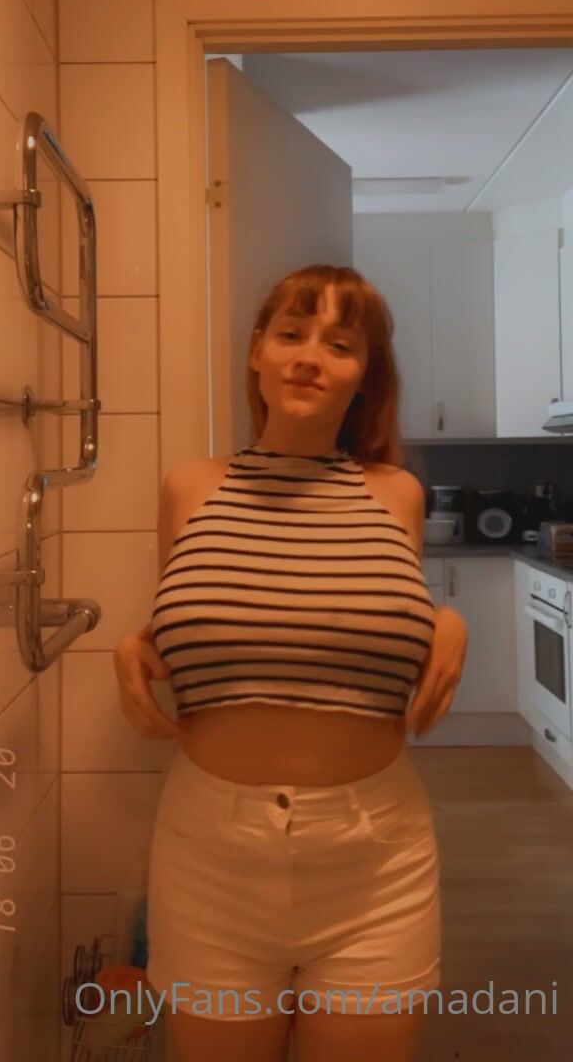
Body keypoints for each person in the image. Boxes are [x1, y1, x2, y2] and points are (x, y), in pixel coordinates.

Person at [114, 263, 467, 1062]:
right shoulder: (189, 487)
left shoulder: (397, 494)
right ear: (257, 352)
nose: (310, 356)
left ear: (364, 376)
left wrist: (446, 621)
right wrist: (134, 644)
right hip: (210, 854)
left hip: (375, 856)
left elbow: (370, 618)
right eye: (291, 334)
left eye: (339, 344)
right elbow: (199, 624)